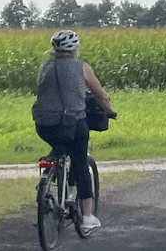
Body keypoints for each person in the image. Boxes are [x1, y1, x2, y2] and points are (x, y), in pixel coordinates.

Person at [31, 30, 116, 232]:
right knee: (80, 164)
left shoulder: (45, 67)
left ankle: (49, 181)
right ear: (75, 49)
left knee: (59, 147)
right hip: (73, 124)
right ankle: (87, 216)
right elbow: (99, 94)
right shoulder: (82, 67)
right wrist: (111, 111)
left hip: (45, 125)